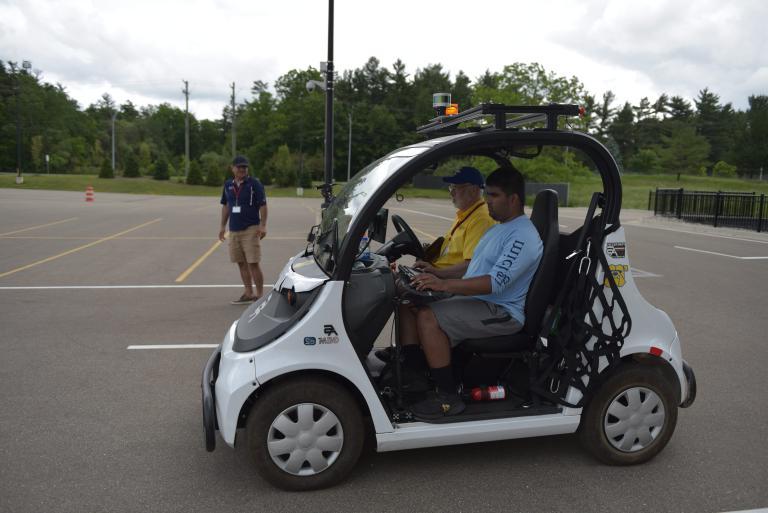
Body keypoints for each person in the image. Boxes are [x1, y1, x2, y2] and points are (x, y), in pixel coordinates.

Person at [405, 166, 543, 419]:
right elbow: (472, 267)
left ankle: (448, 397)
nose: (487, 201)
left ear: (513, 199)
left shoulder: (522, 236)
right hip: (478, 301)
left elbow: (494, 282)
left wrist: (444, 286)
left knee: (428, 316)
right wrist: (437, 273)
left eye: (493, 196)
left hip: (501, 311)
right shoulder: (498, 229)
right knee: (408, 302)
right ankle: (413, 377)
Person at [389, 167, 496, 367]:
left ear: (473, 190)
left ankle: (412, 363)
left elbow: (469, 265)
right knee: (397, 284)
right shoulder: (465, 214)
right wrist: (428, 256)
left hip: (455, 283)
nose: (451, 192)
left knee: (403, 292)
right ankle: (408, 354)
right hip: (443, 276)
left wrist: (437, 274)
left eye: (456, 187)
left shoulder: (480, 219)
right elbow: (452, 251)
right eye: (451, 187)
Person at [218, 155, 268, 305]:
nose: (242, 169)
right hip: (234, 230)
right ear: (232, 168)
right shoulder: (228, 185)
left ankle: (259, 295)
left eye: (244, 167)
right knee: (241, 262)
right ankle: (248, 292)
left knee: (253, 262)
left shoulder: (254, 184)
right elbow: (226, 206)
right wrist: (222, 226)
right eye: (239, 167)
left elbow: (263, 205)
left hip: (251, 228)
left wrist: (263, 225)